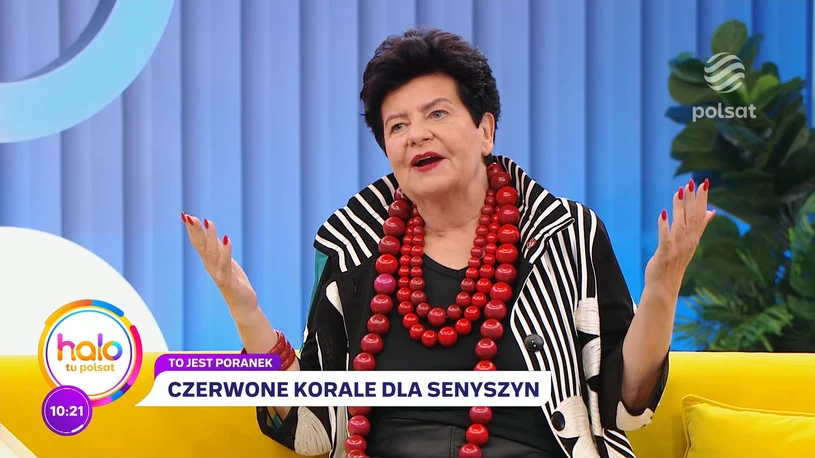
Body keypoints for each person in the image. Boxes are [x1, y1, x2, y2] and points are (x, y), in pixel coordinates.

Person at [181, 28, 713, 458]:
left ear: (485, 131)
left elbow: (625, 406)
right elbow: (312, 430)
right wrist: (244, 308)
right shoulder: (352, 249)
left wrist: (663, 287)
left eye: (437, 114)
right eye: (397, 126)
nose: (416, 134)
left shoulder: (566, 235)